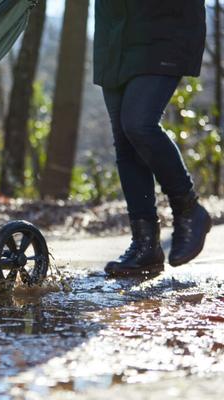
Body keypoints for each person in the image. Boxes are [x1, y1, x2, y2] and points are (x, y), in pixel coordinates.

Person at [93, 0, 212, 277]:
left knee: (139, 124)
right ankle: (145, 245)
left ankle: (188, 208)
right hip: (114, 34)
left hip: (162, 29)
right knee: (125, 141)